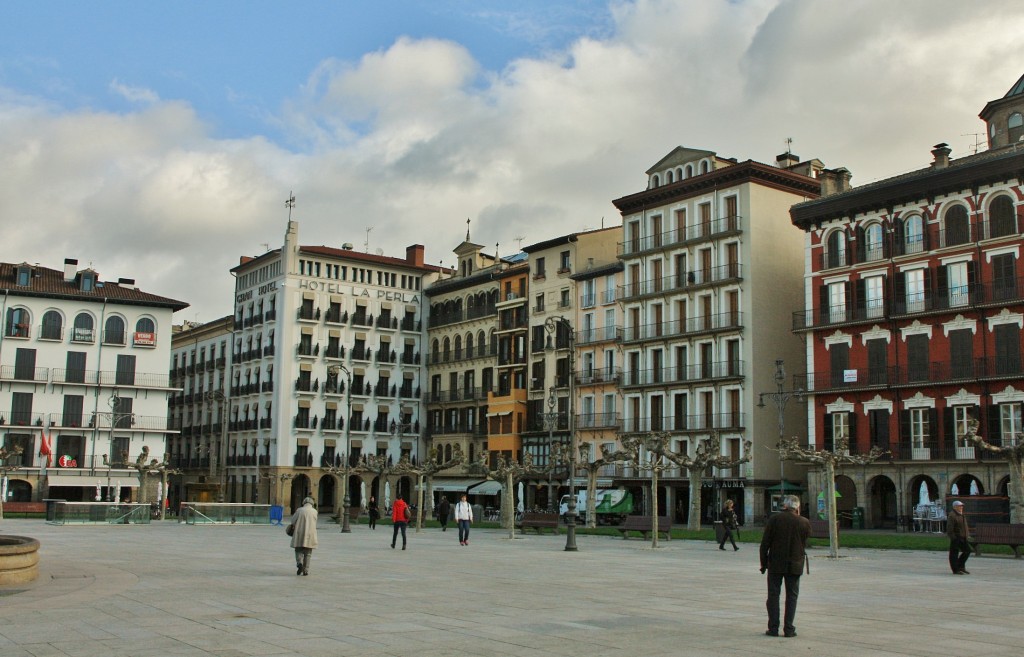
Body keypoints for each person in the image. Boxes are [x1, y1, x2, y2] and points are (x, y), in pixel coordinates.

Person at [759, 494, 810, 638]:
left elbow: (764, 544)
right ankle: (789, 628)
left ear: (785, 506)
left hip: (775, 563)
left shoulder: (774, 519)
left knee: (773, 596)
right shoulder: (804, 522)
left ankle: (773, 628)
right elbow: (804, 540)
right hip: (795, 563)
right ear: (797, 507)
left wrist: (763, 563)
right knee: (792, 596)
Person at [289, 497, 319, 576]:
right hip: (310, 534)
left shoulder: (299, 510)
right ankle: (306, 570)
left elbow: (292, 521)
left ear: (304, 503)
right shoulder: (315, 511)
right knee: (308, 553)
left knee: (298, 549)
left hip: (300, 533)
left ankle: (299, 563)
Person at [946, 500, 971, 575]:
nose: (961, 507)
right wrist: (953, 537)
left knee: (967, 551)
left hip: (963, 537)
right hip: (956, 537)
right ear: (955, 507)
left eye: (962, 506)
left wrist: (966, 535)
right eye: (959, 506)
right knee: (954, 553)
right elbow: (950, 528)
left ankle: (961, 566)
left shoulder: (961, 514)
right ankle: (955, 569)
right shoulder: (952, 515)